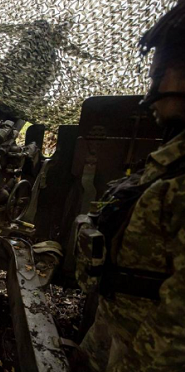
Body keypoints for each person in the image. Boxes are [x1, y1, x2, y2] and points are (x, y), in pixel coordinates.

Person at [78, 3, 185, 371]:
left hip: (146, 350)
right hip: (119, 323)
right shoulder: (172, 157)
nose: (151, 92)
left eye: (160, 77)